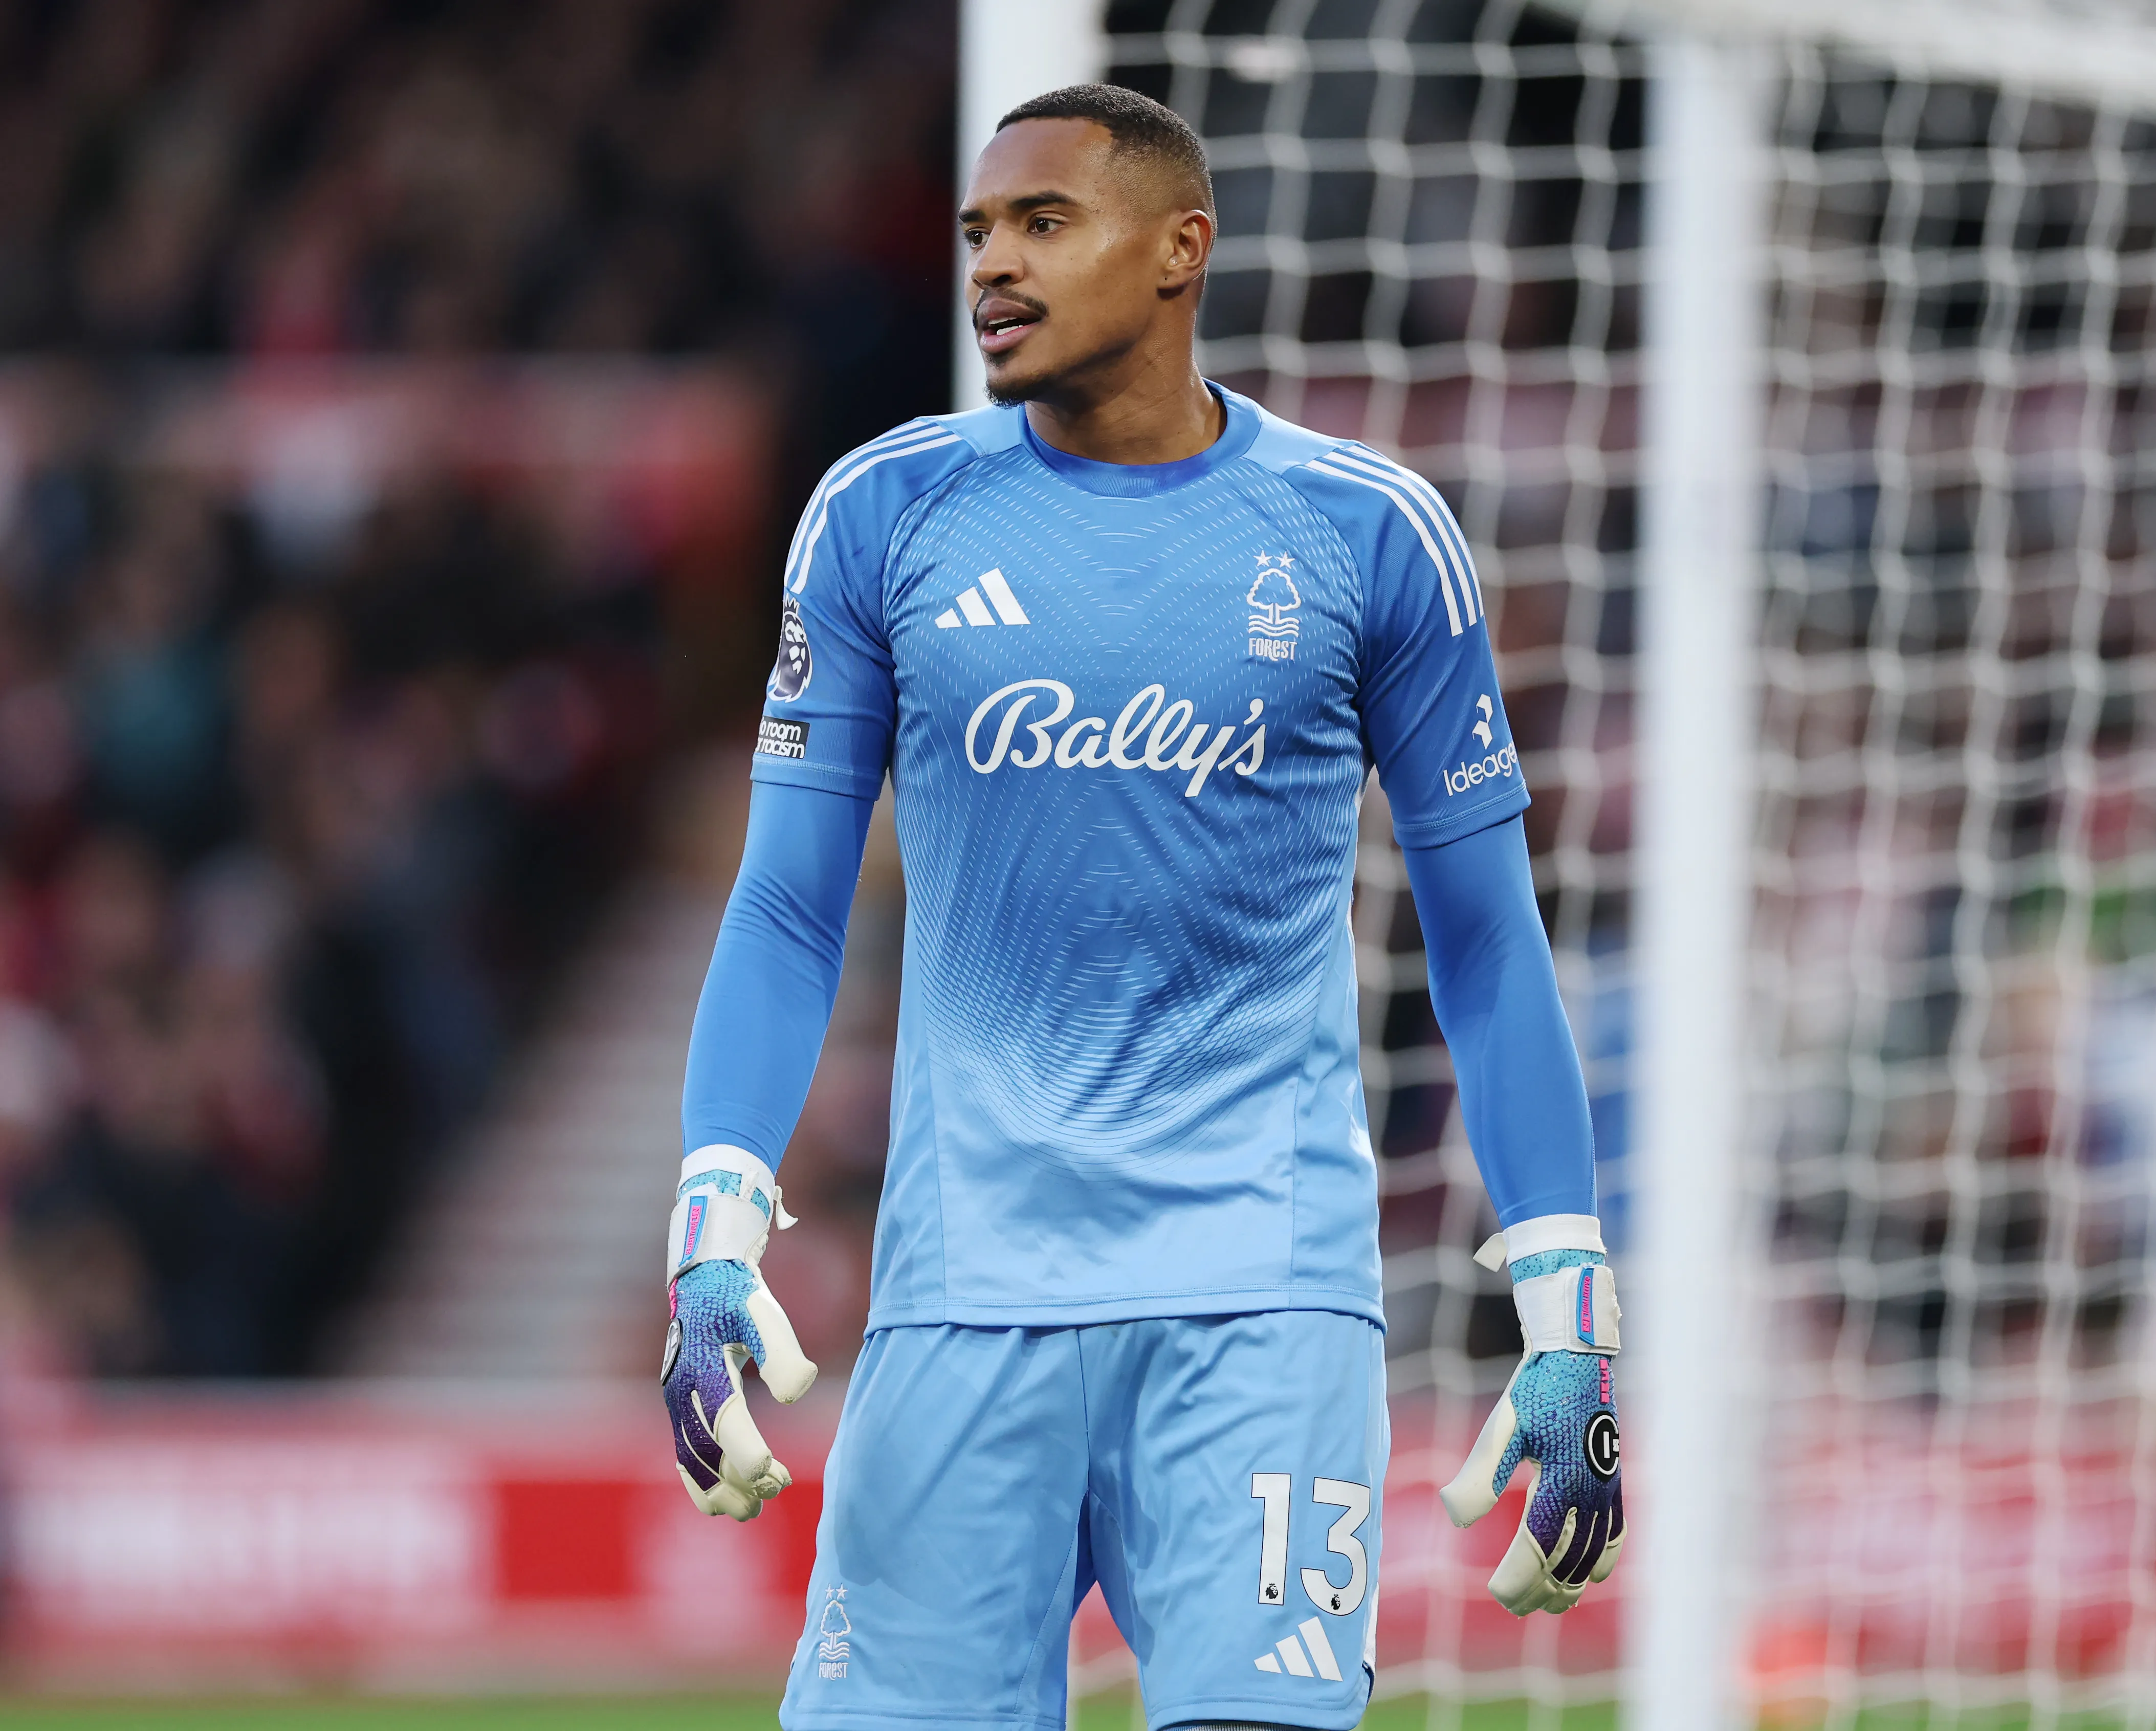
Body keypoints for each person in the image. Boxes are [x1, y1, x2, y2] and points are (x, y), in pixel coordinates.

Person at [657, 84, 1621, 1731]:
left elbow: (1485, 938)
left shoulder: (1368, 534)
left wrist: (1571, 1316)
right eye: (977, 234)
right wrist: (713, 1218)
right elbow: (787, 907)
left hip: (1263, 1304)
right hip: (964, 1302)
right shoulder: (883, 516)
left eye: (1044, 224)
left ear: (1184, 252)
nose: (993, 271)